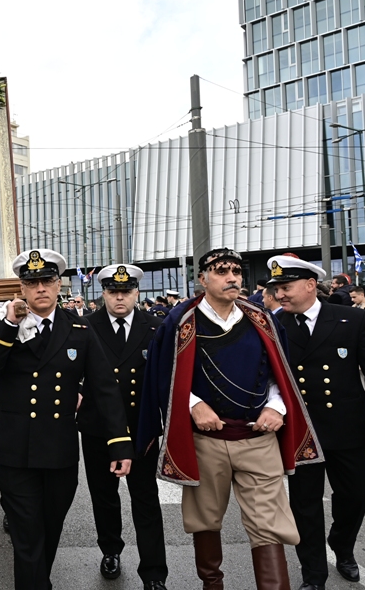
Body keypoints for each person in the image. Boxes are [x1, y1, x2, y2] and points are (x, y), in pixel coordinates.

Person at [139, 247, 322, 590]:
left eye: (236, 271)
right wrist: (193, 404)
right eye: (222, 271)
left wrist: (277, 407)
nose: (232, 278)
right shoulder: (180, 321)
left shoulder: (261, 319)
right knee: (206, 518)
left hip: (258, 439)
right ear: (202, 278)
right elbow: (163, 374)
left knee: (269, 524)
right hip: (206, 441)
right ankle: (212, 584)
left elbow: (279, 374)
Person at [0, 249, 133, 590]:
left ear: (59, 284)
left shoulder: (79, 328)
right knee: (27, 534)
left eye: (47, 280)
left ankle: (36, 580)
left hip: (59, 450)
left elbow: (104, 387)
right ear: (22, 287)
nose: (40, 288)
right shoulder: (3, 324)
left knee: (48, 528)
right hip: (15, 450)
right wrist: (9, 324)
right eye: (32, 282)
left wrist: (119, 442)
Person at [269, 254, 365, 590]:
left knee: (355, 493)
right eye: (277, 288)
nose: (280, 294)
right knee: (305, 504)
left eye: (286, 287)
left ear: (311, 286)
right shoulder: (273, 325)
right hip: (300, 431)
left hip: (345, 426)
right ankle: (313, 574)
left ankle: (341, 544)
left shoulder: (350, 319)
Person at [83, 265, 167, 589]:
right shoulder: (86, 327)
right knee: (104, 497)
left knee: (145, 499)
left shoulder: (155, 328)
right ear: (103, 293)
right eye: (113, 291)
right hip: (98, 429)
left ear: (136, 293)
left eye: (126, 291)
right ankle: (110, 550)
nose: (120, 297)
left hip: (141, 429)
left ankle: (155, 573)